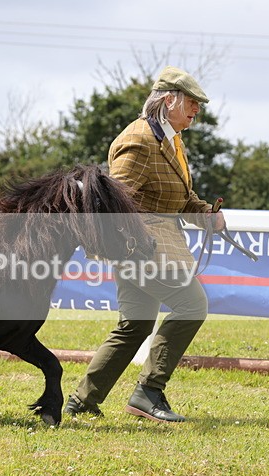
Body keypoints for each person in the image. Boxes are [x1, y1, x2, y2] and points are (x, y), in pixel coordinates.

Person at [64, 66, 225, 423]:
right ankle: (148, 391)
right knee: (192, 305)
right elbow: (114, 203)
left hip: (156, 244)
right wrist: (133, 250)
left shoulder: (172, 138)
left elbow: (179, 198)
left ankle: (82, 401)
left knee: (135, 324)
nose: (197, 110)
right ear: (170, 100)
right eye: (192, 103)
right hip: (141, 248)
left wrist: (205, 214)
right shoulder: (138, 140)